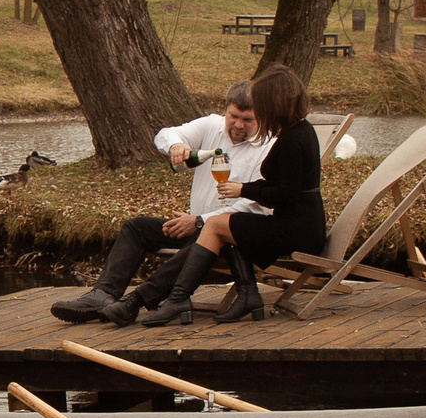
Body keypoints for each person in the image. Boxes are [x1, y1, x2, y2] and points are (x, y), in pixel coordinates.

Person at [49, 83, 272, 324]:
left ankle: (136, 300)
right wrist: (176, 146)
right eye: (233, 116)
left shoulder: (268, 148)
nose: (238, 125)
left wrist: (199, 221)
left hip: (230, 236)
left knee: (202, 238)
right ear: (225, 110)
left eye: (247, 120)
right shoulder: (212, 125)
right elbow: (165, 134)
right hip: (194, 224)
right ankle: (103, 294)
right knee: (137, 228)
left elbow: (256, 206)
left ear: (262, 117)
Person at [137, 65, 323, 326]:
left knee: (217, 224)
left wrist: (243, 189)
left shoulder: (292, 140)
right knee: (226, 223)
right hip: (295, 221)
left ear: (273, 104)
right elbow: (283, 185)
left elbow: (286, 194)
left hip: (299, 229)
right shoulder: (297, 131)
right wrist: (246, 188)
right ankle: (245, 294)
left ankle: (178, 299)